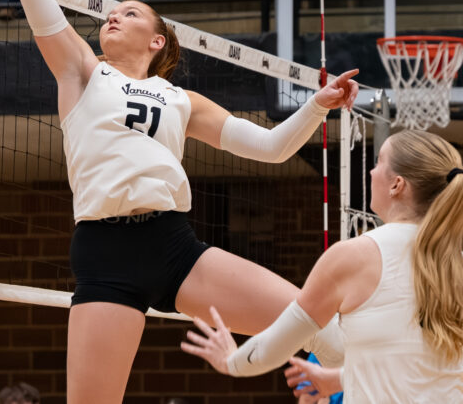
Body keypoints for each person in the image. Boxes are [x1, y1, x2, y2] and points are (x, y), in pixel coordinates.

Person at [0, 0, 358, 403]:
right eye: (110, 14)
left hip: (174, 246)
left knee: (319, 321)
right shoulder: (81, 71)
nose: (112, 18)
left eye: (129, 13)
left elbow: (272, 148)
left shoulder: (180, 99)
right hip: (105, 251)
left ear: (157, 41)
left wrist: (316, 106)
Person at [182, 130, 463, 402]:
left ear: (397, 185)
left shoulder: (353, 256)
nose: (371, 172)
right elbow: (418, 367)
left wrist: (231, 361)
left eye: (378, 162)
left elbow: (273, 348)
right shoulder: (455, 262)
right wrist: (343, 378)